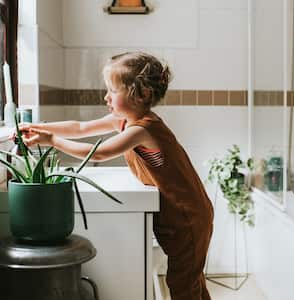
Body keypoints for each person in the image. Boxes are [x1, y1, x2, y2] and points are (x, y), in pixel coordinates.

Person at [19, 52, 214, 300]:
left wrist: (53, 141)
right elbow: (80, 128)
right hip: (181, 215)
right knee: (191, 281)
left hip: (188, 218)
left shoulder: (143, 129)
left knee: (183, 284)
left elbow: (98, 153)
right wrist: (40, 128)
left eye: (112, 90)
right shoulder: (123, 121)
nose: (106, 97)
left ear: (140, 95)